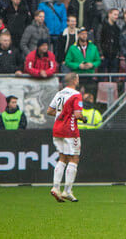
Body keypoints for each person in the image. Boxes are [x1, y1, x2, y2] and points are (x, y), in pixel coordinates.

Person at [46, 73, 83, 202]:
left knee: (62, 157)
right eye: (77, 78)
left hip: (57, 129)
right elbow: (78, 115)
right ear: (74, 80)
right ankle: (67, 190)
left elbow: (49, 111)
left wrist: (62, 113)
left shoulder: (60, 93)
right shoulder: (76, 95)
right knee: (74, 158)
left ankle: (56, 187)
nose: (78, 80)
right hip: (70, 130)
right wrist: (83, 118)